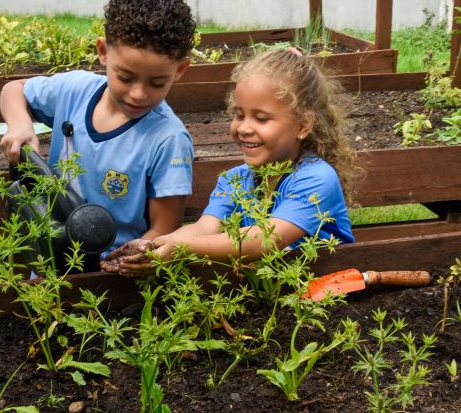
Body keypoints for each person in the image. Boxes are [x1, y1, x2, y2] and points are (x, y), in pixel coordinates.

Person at [102, 48, 357, 275]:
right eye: (239, 115)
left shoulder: (316, 179)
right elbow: (204, 228)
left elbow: (263, 240)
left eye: (261, 118)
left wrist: (179, 248)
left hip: (329, 291)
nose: (244, 128)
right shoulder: (234, 180)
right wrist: (154, 245)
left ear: (302, 125)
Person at [0, 0, 197, 254]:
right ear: (103, 52)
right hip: (50, 257)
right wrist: (20, 123)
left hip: (112, 274)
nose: (138, 94)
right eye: (125, 77)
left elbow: (165, 228)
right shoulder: (74, 90)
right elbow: (14, 89)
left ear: (180, 70)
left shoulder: (168, 139)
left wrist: (133, 256)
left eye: (157, 83)